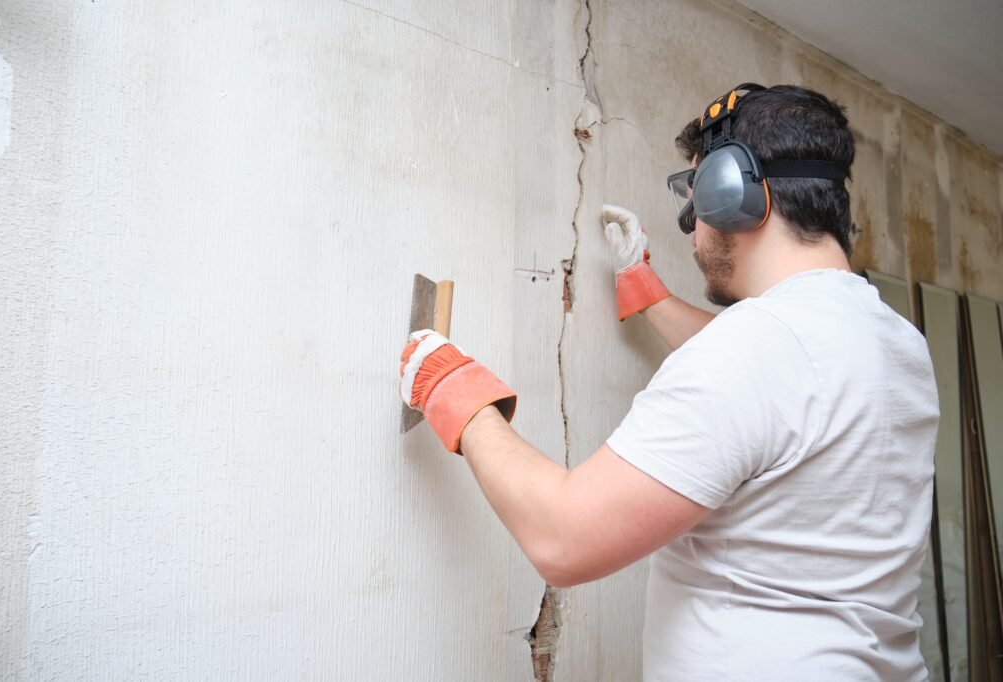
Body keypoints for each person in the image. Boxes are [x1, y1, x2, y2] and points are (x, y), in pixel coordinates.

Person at [397, 84, 939, 680]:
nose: (692, 229)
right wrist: (645, 290)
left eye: (694, 192)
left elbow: (563, 540)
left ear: (731, 192)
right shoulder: (893, 340)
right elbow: (779, 392)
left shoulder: (757, 349)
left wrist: (457, 393)